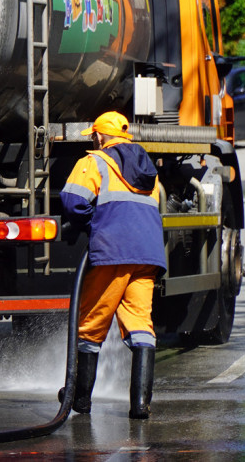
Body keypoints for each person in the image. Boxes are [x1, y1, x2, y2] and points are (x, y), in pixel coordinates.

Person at [58, 111, 166, 419]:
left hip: (113, 252)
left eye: (94, 136)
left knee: (91, 324)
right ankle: (141, 405)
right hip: (147, 255)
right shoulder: (148, 169)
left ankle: (79, 398)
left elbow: (73, 201)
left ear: (99, 136)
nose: (93, 140)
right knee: (141, 326)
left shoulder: (94, 162)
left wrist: (96, 224)